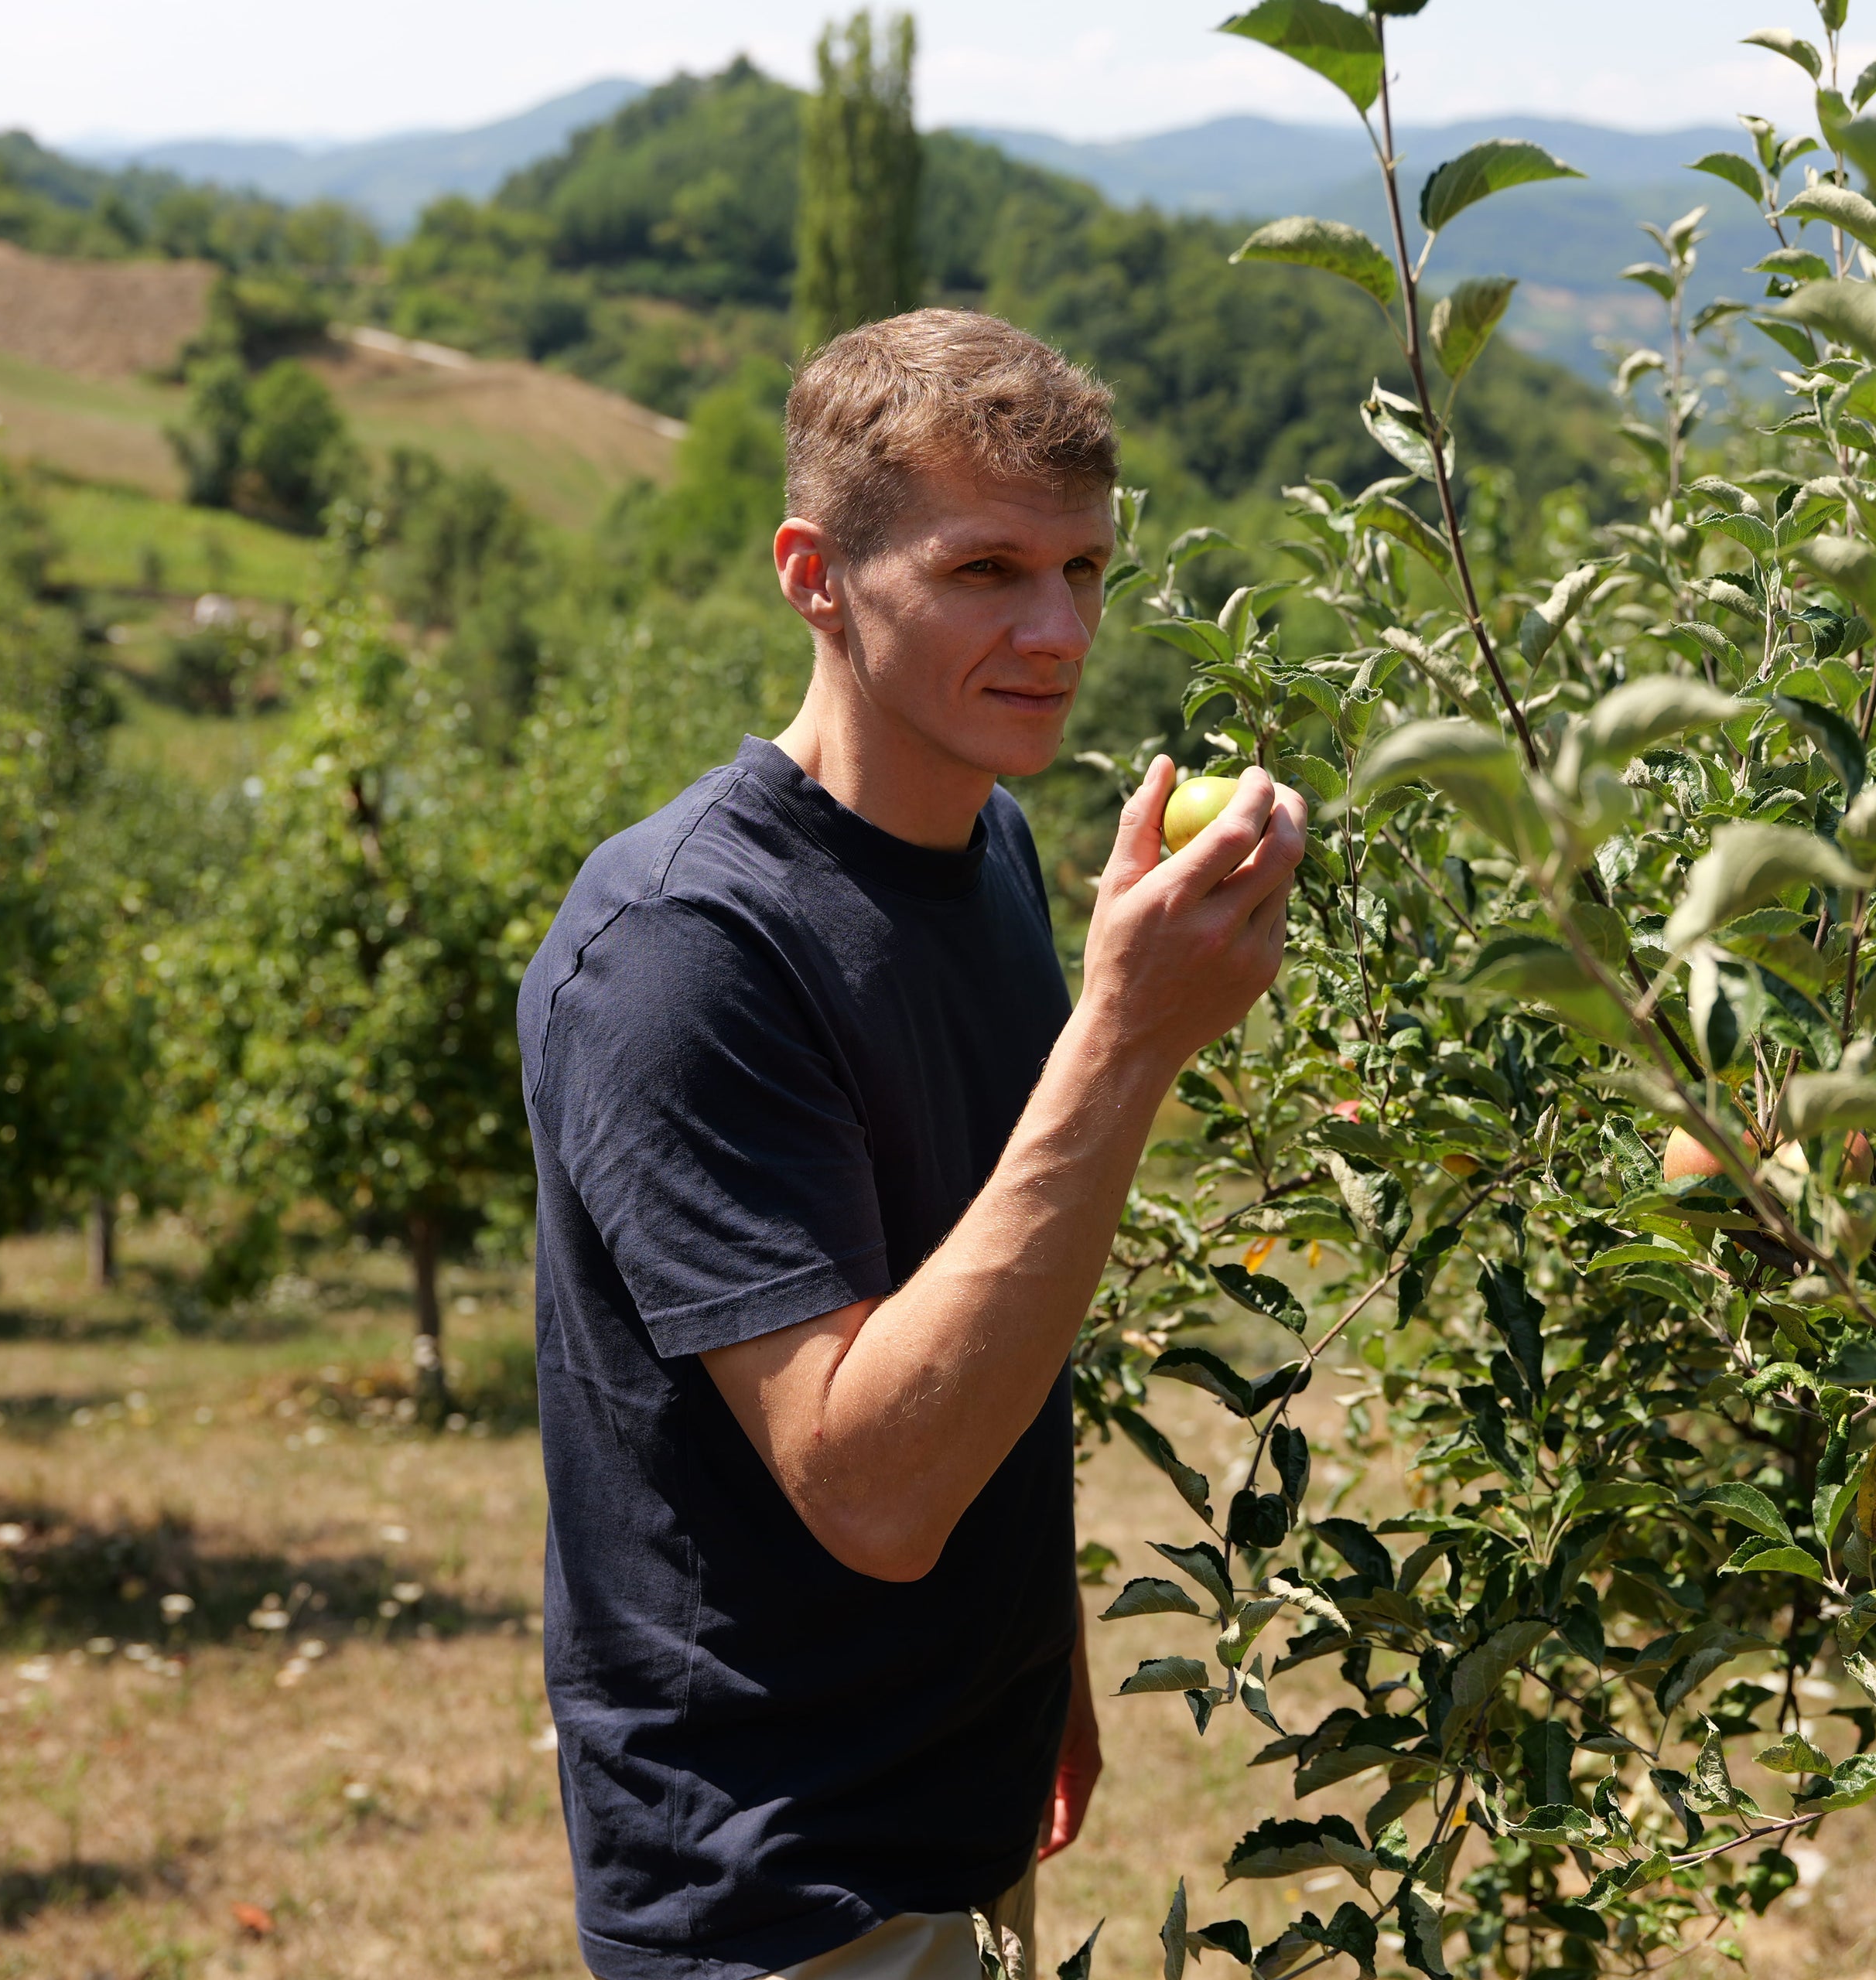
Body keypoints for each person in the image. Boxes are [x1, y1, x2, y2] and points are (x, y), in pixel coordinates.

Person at [515, 309, 1306, 1980]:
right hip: (778, 1881)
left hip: (956, 1813)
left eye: (1085, 570)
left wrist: (1045, 1659)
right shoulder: (682, 952)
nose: (1056, 629)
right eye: (984, 572)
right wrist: (1126, 1036)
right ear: (815, 575)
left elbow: (973, 1276)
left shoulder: (994, 848)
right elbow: (869, 1489)